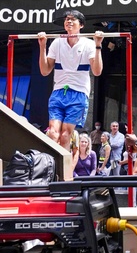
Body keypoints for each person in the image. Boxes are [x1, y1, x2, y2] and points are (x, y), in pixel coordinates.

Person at [38, 10, 104, 153]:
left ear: (81, 25)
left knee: (65, 135)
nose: (68, 21)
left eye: (72, 19)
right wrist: (42, 46)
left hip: (78, 93)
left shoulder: (88, 44)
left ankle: (64, 172)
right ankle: (51, 167)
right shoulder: (57, 42)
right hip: (58, 92)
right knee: (53, 133)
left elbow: (97, 71)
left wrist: (98, 45)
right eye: (66, 19)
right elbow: (45, 71)